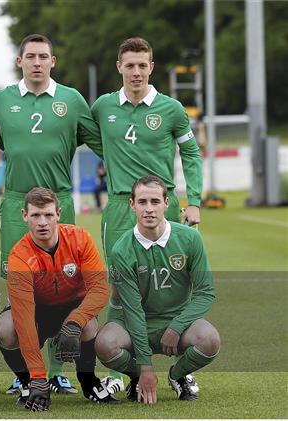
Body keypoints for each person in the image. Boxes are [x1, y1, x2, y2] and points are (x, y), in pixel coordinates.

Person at [0, 33, 103, 394]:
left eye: (43, 56)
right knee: (21, 284)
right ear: (19, 62)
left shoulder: (72, 99)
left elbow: (100, 142)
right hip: (16, 199)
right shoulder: (2, 100)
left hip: (59, 202)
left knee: (63, 285)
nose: (37, 62)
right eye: (30, 56)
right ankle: (28, 374)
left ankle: (56, 372)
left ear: (54, 61)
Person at [90, 37, 203, 393]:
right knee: (118, 288)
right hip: (120, 206)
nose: (136, 72)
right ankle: (120, 370)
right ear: (119, 67)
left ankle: (180, 367)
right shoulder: (103, 106)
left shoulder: (170, 108)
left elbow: (192, 154)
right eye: (130, 65)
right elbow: (75, 138)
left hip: (161, 203)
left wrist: (194, 200)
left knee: (171, 282)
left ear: (151, 67)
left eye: (142, 65)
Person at [95, 176, 220, 404]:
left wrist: (177, 325)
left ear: (167, 203)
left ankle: (177, 376)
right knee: (104, 344)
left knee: (210, 340)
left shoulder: (190, 239)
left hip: (176, 319)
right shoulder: (122, 250)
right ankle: (135, 377)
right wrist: (145, 367)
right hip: (132, 322)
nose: (149, 209)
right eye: (142, 202)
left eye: (155, 201)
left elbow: (206, 292)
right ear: (132, 205)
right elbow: (132, 310)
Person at [0, 188, 118, 411]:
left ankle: (88, 381)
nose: (42, 222)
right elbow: (23, 319)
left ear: (58, 214)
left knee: (88, 326)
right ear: (25, 216)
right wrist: (38, 376)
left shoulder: (80, 239)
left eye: (48, 215)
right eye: (35, 215)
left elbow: (100, 289)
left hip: (72, 306)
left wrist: (74, 323)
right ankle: (29, 383)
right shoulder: (19, 256)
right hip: (37, 310)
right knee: (6, 328)